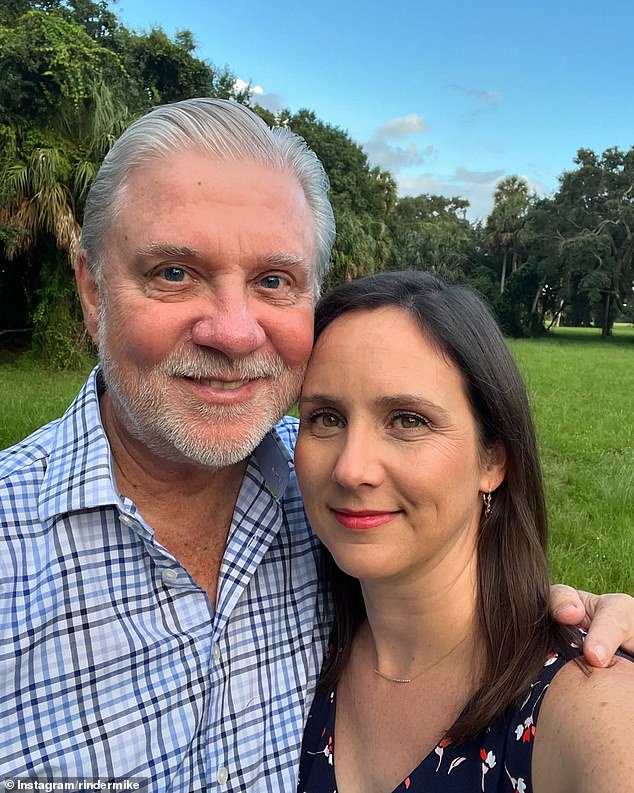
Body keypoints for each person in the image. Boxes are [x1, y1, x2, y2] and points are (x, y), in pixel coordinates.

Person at [0, 99, 631, 792]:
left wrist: (583, 629)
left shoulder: (324, 487)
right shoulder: (14, 552)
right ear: (93, 290)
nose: (234, 333)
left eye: (274, 281)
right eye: (174, 272)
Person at [295, 271, 634, 793]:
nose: (350, 468)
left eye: (407, 420)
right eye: (325, 418)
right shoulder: (295, 644)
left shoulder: (588, 703)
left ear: (493, 459)